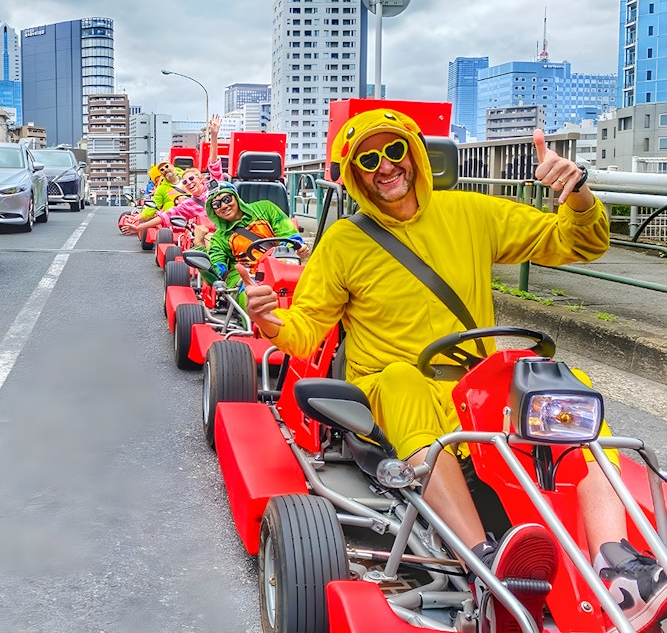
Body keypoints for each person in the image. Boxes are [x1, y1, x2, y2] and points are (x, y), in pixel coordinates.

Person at [241, 107, 667, 632]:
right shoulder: (343, 242)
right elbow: (305, 328)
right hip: (393, 384)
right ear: (355, 174)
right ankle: (484, 559)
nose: (384, 166)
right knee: (403, 380)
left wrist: (576, 192)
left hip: (475, 386)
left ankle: (616, 561)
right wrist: (270, 321)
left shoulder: (469, 212)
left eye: (393, 150)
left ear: (415, 155)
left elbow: (579, 240)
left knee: (561, 386)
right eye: (368, 160)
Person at [205, 181, 308, 307]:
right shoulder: (218, 238)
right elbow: (216, 273)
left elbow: (288, 234)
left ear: (236, 197)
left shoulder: (266, 208)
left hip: (279, 266)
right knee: (256, 299)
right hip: (245, 277)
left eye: (227, 199)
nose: (224, 206)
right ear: (213, 210)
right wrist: (199, 248)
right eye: (216, 204)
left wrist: (295, 249)